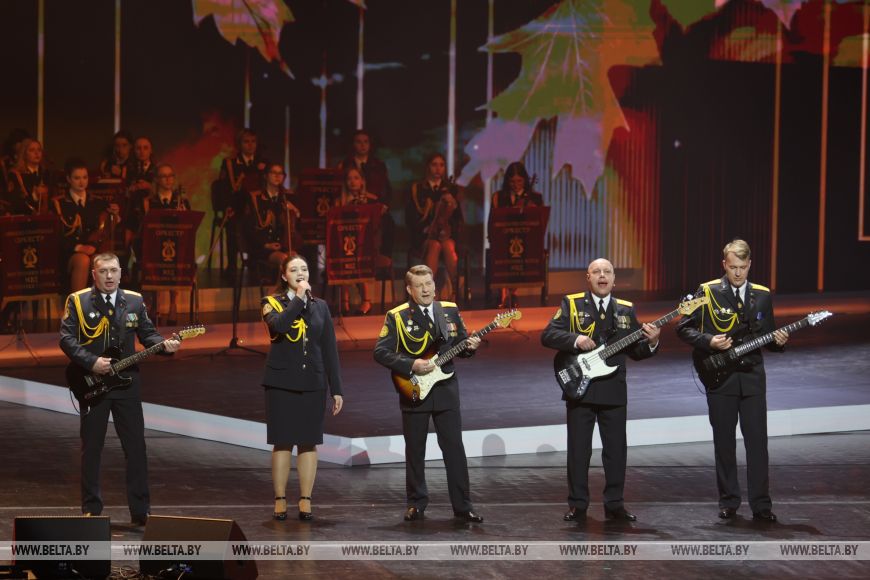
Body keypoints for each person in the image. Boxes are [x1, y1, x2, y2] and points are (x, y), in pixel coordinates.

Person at [59, 252, 181, 525]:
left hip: (127, 385)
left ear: (121, 273)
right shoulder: (78, 301)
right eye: (103, 271)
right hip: (93, 384)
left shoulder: (134, 301)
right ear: (94, 274)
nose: (109, 276)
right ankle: (91, 509)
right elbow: (66, 339)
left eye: (113, 270)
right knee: (92, 448)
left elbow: (148, 334)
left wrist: (165, 346)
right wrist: (91, 362)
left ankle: (141, 510)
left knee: (136, 447)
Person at [676, 239, 787, 522]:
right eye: (733, 267)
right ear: (724, 264)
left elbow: (768, 338)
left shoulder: (762, 295)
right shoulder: (707, 291)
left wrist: (779, 342)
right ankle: (728, 501)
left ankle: (761, 506)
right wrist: (709, 341)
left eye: (743, 267)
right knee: (724, 443)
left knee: (757, 444)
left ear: (750, 265)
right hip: (720, 377)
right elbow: (683, 327)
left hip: (752, 379)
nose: (738, 273)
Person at [540, 258, 660, 522]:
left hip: (614, 390)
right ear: (588, 278)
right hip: (580, 389)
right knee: (578, 451)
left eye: (607, 272)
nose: (602, 276)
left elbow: (636, 351)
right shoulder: (572, 304)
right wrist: (575, 339)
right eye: (597, 272)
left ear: (614, 279)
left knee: (616, 451)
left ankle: (615, 504)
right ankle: (578, 505)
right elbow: (547, 335)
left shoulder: (626, 309)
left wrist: (652, 342)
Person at [373, 264, 483, 523]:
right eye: (420, 285)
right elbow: (380, 352)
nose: (426, 289)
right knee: (415, 450)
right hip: (414, 387)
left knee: (454, 449)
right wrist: (411, 364)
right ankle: (416, 504)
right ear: (410, 290)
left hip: (446, 389)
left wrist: (470, 347)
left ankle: (463, 506)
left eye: (429, 284)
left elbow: (461, 345)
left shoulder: (449, 310)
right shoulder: (397, 316)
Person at [261, 254, 343, 521]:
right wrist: (297, 298)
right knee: (283, 441)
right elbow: (279, 327)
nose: (300, 273)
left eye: (304, 269)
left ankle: (306, 499)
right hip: (281, 383)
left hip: (312, 383)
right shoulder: (271, 303)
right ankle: (280, 498)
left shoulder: (320, 306)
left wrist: (336, 388)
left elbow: (329, 349)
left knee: (309, 442)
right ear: (284, 275)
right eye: (294, 269)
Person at [53, 159, 121, 293]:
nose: (81, 182)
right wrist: (79, 247)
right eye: (77, 178)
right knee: (82, 260)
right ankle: (77, 305)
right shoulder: (59, 204)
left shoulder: (97, 202)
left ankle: (100, 305)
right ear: (68, 179)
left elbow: (107, 228)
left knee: (100, 261)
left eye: (85, 177)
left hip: (93, 249)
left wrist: (115, 214)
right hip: (69, 252)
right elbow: (56, 235)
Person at [136, 163, 191, 324]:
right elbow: (142, 227)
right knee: (154, 259)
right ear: (157, 180)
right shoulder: (148, 202)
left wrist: (184, 216)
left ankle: (173, 305)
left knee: (176, 259)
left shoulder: (181, 201)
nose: (168, 180)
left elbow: (190, 227)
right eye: (163, 176)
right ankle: (154, 304)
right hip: (154, 246)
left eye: (170, 176)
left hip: (175, 245)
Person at [406, 153, 463, 300]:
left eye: (441, 165)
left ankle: (456, 287)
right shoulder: (417, 189)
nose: (438, 168)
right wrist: (426, 229)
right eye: (434, 165)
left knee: (447, 245)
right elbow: (410, 218)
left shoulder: (451, 189)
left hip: (445, 235)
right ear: (428, 167)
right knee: (435, 245)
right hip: (424, 236)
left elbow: (458, 219)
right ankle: (429, 292)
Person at [488, 161, 544, 308]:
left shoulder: (535, 198)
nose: (516, 185)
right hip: (503, 239)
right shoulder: (499, 197)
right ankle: (506, 293)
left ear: (525, 180)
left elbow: (539, 224)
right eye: (512, 181)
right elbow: (493, 220)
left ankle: (509, 293)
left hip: (527, 240)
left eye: (519, 181)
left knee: (520, 252)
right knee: (504, 250)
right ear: (507, 181)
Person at [335, 166, 389, 315]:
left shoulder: (371, 200)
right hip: (346, 244)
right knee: (345, 255)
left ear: (362, 181)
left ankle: (366, 301)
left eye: (356, 178)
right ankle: (344, 302)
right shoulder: (339, 202)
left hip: (368, 245)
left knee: (361, 254)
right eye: (349, 179)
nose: (352, 182)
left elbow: (380, 227)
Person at [213, 128, 267, 274]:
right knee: (233, 225)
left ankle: (257, 263)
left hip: (257, 209)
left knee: (264, 223)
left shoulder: (263, 162)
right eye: (246, 142)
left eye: (253, 141)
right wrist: (227, 206)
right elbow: (223, 188)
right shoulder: (230, 163)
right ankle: (232, 266)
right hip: (237, 206)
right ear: (239, 144)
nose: (250, 145)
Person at [246, 163, 300, 276]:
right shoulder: (255, 198)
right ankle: (278, 287)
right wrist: (265, 244)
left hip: (282, 245)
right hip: (261, 247)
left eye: (280, 173)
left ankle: (286, 287)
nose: (277, 176)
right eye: (273, 172)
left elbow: (295, 224)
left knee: (297, 260)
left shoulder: (286, 197)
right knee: (284, 260)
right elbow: (249, 228)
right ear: (266, 176)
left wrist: (294, 210)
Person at [6, 138, 51, 215]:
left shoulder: (47, 173)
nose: (36, 153)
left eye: (39, 150)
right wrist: (35, 195)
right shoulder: (16, 175)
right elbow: (15, 203)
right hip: (25, 217)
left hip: (46, 217)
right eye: (32, 150)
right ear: (24, 154)